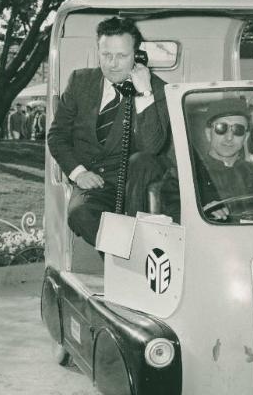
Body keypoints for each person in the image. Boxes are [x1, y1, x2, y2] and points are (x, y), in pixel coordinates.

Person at [47, 16, 170, 246]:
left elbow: (152, 147)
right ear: (98, 52)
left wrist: (144, 93)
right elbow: (57, 135)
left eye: (122, 56)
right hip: (94, 182)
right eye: (106, 55)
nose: (113, 64)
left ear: (137, 55)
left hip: (136, 185)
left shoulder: (156, 89)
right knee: (79, 214)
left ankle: (127, 267)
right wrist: (78, 173)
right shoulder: (80, 81)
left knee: (142, 160)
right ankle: (129, 261)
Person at [196, 98, 253, 221]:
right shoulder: (187, 178)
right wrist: (200, 214)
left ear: (246, 137)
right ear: (209, 133)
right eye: (221, 128)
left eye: (237, 130)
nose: (229, 137)